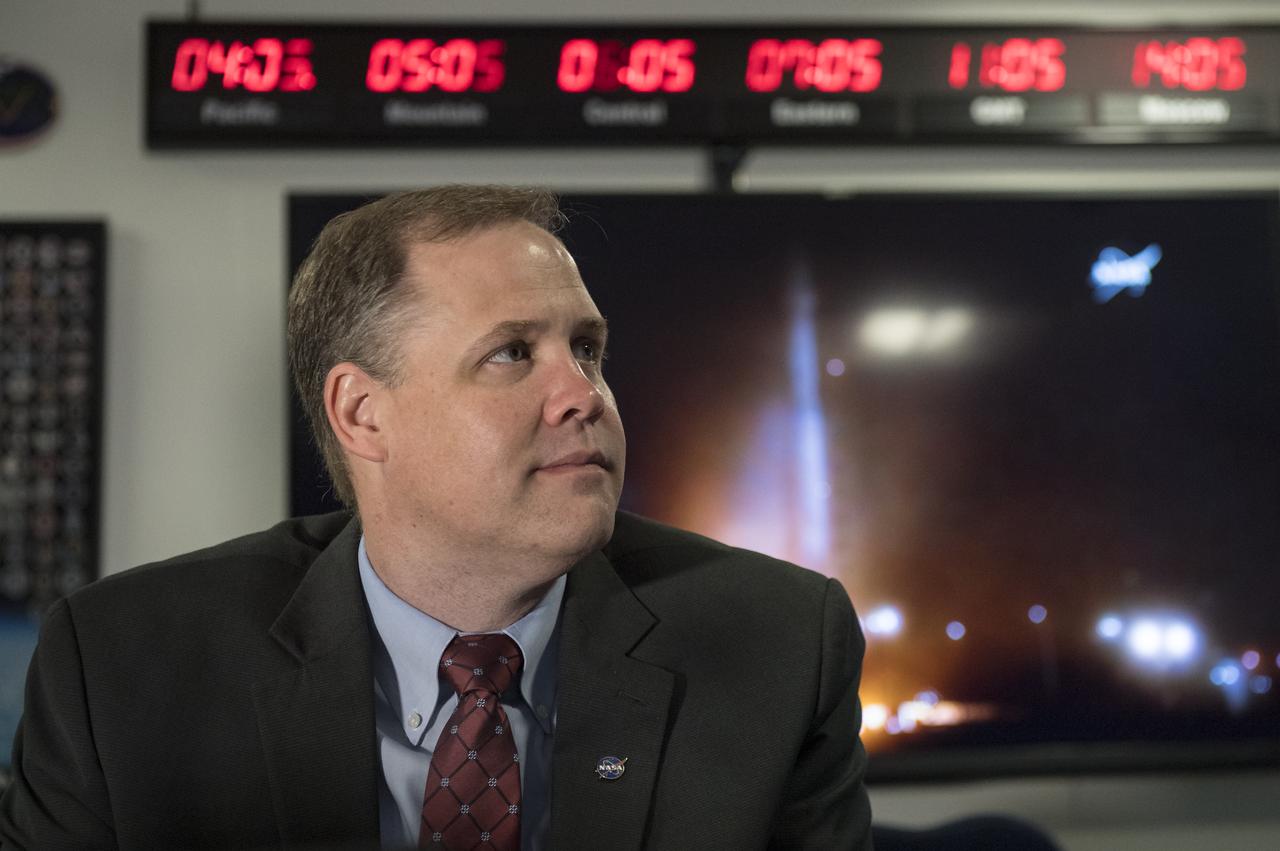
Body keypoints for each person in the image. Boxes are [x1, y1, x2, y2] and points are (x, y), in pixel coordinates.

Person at [0, 186, 872, 850]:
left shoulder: (783, 642)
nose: (585, 395)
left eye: (588, 350)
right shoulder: (118, 666)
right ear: (362, 413)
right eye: (512, 353)